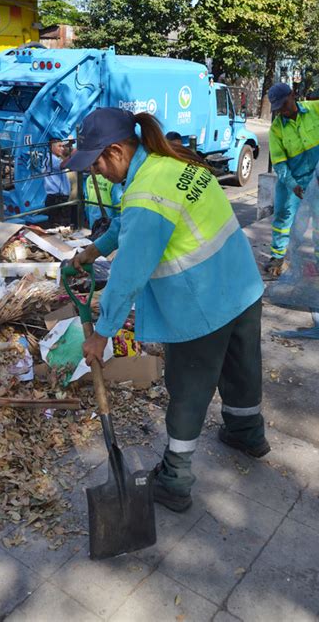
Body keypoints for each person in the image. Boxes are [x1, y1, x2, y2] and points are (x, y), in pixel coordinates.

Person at [63, 107, 269, 513]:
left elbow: (128, 275)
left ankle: (175, 480)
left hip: (202, 304)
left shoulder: (145, 192)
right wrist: (94, 248)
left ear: (117, 151)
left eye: (96, 163)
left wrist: (102, 333)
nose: (96, 174)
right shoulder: (167, 162)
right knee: (242, 367)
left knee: (188, 390)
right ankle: (248, 434)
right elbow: (131, 225)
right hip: (241, 284)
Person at [265, 83, 319, 277]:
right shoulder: (276, 129)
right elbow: (279, 163)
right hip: (291, 181)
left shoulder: (316, 108)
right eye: (278, 108)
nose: (282, 111)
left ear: (293, 95)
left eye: (284, 104)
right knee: (283, 217)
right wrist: (293, 185)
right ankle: (277, 257)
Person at [44, 138, 73, 226]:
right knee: (59, 225)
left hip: (58, 197)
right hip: (56, 198)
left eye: (63, 146)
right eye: (59, 146)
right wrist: (74, 153)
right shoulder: (51, 159)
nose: (62, 148)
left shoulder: (54, 158)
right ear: (51, 147)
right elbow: (63, 165)